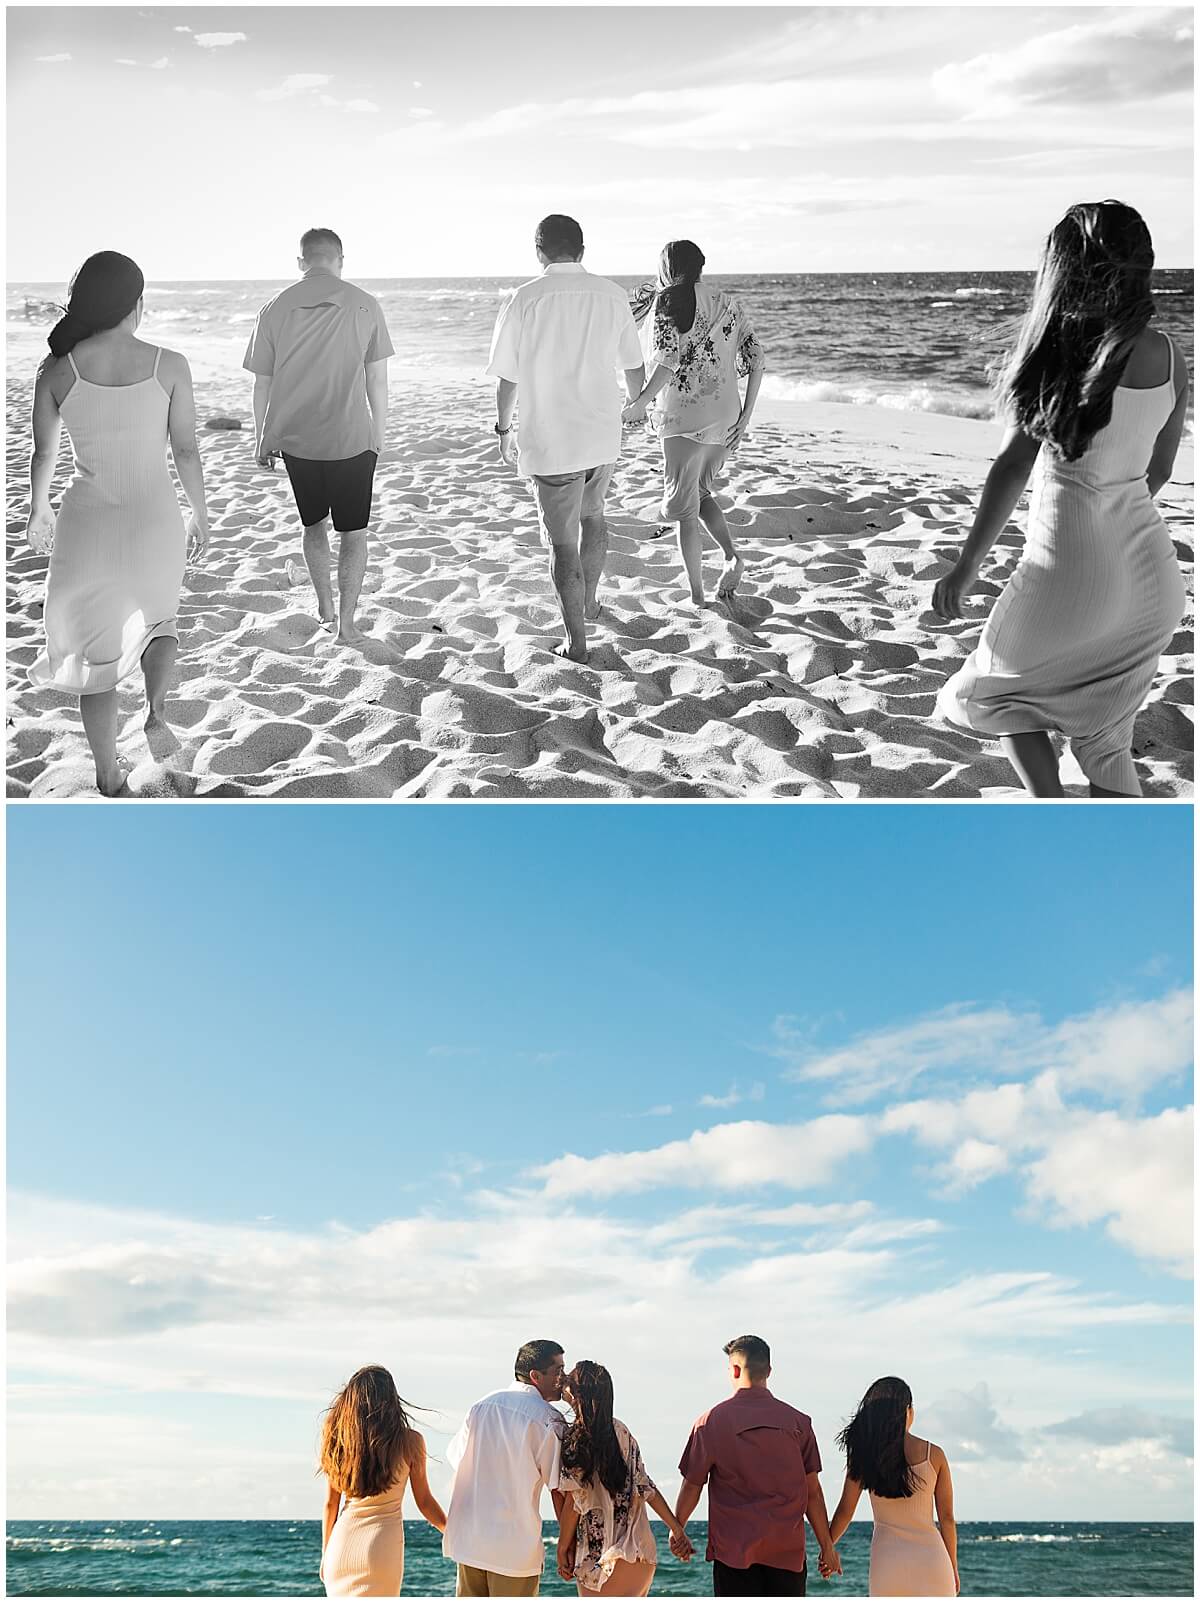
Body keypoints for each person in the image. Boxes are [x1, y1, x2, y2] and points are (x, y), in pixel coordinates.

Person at [933, 199, 1188, 797]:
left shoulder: (1055, 349)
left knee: (988, 691)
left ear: (1062, 269)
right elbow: (1159, 471)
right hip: (1153, 581)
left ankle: (1049, 805)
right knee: (1106, 744)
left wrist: (967, 565)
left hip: (1067, 568)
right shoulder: (1172, 354)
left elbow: (1012, 465)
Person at [26, 250, 208, 794]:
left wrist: (39, 510)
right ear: (137, 303)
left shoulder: (59, 369)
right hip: (155, 518)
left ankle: (107, 774)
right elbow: (187, 450)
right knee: (161, 624)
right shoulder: (169, 363)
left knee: (97, 657)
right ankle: (154, 710)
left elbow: (43, 454)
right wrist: (200, 512)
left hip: (88, 525)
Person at [487, 215, 645, 663]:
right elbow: (634, 365)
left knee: (561, 544)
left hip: (552, 439)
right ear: (582, 248)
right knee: (594, 518)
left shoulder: (524, 298)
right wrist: (636, 404)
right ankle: (591, 602)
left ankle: (577, 642)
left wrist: (503, 430)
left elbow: (507, 377)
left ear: (539, 251)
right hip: (600, 433)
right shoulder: (613, 295)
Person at [244, 228, 393, 645]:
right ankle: (346, 623)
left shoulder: (274, 307)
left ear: (301, 262)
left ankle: (324, 607)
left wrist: (261, 436)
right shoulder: (365, 303)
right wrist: (378, 431)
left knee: (313, 525)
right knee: (354, 532)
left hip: (297, 439)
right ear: (340, 259)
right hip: (352, 437)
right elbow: (376, 379)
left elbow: (263, 383)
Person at [622, 242, 766, 607]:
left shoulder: (668, 301)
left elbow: (667, 361)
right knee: (699, 493)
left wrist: (639, 402)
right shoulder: (727, 302)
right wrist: (745, 418)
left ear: (666, 268)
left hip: (682, 416)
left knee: (684, 509)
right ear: (702, 266)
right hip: (726, 417)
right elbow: (757, 358)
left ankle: (698, 597)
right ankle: (732, 555)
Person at [675, 1335, 840, 1597]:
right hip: (788, 1553)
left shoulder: (710, 1423)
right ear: (769, 1371)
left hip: (734, 1554)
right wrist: (827, 1547)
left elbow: (692, 1485)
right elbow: (814, 1492)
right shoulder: (799, 1423)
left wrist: (677, 1529)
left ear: (735, 1370)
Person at [555, 1360, 694, 1597]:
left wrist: (562, 1548)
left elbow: (574, 1504)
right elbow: (646, 1486)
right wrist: (677, 1530)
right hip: (641, 1556)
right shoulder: (621, 1431)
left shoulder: (576, 1440)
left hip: (602, 1562)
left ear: (577, 1394)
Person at [443, 1339, 568, 1597]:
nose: (564, 1379)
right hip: (513, 1548)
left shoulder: (481, 1406)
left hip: (469, 1542)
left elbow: (457, 1459)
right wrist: (567, 1545)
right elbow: (560, 1489)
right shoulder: (549, 1419)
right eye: (558, 1371)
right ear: (535, 1376)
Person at [319, 1364, 446, 1596]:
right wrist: (454, 1532)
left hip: (340, 1548)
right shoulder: (410, 1442)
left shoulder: (338, 1437)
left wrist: (326, 1553)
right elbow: (425, 1502)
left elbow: (331, 1505)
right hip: (381, 1549)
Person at [827, 1377, 958, 1597]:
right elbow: (947, 1518)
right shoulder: (934, 1455)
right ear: (908, 1411)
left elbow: (845, 1512)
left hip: (887, 1564)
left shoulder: (863, 1456)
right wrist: (952, 1565)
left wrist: (826, 1547)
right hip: (932, 1562)